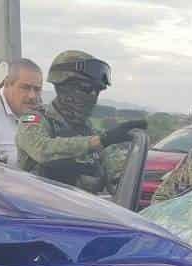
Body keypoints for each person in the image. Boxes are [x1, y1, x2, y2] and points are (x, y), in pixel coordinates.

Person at [16, 50, 145, 194]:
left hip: (81, 212)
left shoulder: (88, 130)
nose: (92, 96)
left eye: (97, 91)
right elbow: (41, 149)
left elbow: (113, 178)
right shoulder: (33, 119)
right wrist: (99, 141)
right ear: (62, 86)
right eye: (86, 88)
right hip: (38, 211)